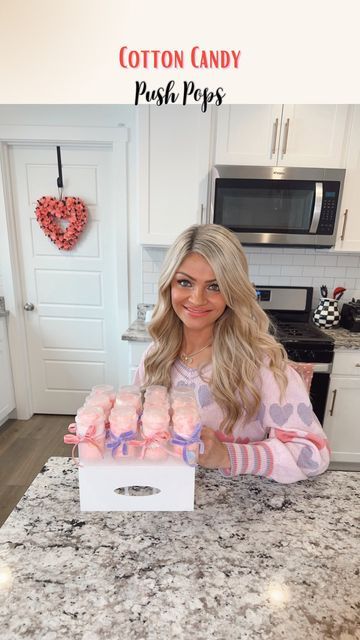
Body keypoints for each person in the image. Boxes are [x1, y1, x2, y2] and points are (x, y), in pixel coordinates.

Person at [134, 224, 330, 484]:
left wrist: (228, 455)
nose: (197, 298)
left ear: (233, 291)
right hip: (166, 499)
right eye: (185, 282)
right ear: (168, 286)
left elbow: (313, 454)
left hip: (240, 514)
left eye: (214, 286)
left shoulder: (263, 366)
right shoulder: (155, 356)